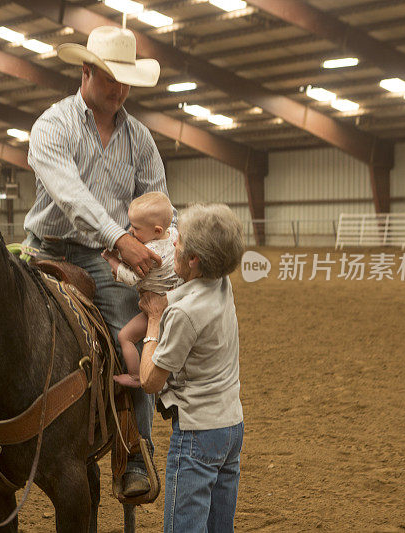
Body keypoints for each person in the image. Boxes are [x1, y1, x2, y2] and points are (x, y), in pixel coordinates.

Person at [23, 25, 167, 497]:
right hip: (46, 246)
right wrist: (120, 238)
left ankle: (133, 450)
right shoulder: (53, 125)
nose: (120, 89)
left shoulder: (141, 140)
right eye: (110, 78)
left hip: (105, 257)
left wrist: (161, 251)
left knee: (133, 331)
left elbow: (158, 202)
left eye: (126, 81)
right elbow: (69, 195)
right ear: (85, 71)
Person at [138, 203, 245, 532]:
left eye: (179, 242)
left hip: (198, 433)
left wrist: (154, 322)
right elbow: (187, 292)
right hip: (230, 425)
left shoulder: (184, 316)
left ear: (194, 259)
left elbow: (150, 381)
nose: (173, 244)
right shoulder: (222, 283)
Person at [101, 192, 180, 388]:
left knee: (125, 336)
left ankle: (136, 375)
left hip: (155, 308)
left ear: (156, 230)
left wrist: (113, 260)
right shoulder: (174, 235)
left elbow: (130, 277)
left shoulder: (149, 253)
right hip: (174, 301)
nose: (130, 231)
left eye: (136, 228)